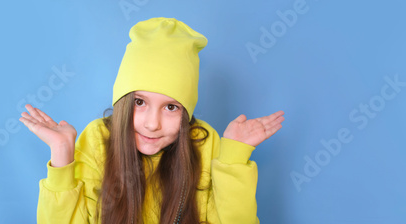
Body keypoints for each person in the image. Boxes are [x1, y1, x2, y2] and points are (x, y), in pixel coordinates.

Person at [19, 17, 284, 224]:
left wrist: (234, 159)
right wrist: (62, 156)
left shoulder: (203, 142)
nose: (152, 124)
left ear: (186, 114)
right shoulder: (99, 140)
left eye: (170, 107)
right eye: (139, 102)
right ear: (122, 103)